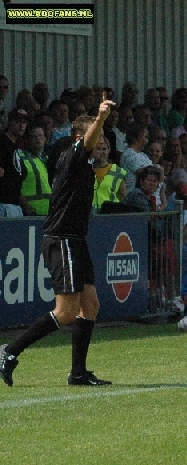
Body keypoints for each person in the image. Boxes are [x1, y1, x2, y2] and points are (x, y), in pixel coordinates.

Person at [0, 96, 116, 388]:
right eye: (97, 135)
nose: (101, 141)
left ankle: (78, 373)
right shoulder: (72, 155)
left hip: (75, 241)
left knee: (89, 306)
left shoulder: (84, 164)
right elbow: (88, 141)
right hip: (62, 240)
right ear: (81, 137)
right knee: (65, 312)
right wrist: (100, 117)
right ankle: (9, 352)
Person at [18, 123, 52, 216]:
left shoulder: (50, 159)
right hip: (31, 212)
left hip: (50, 212)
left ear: (45, 139)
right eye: (34, 136)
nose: (38, 138)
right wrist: (25, 206)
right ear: (28, 140)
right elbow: (15, 186)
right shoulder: (21, 158)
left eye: (40, 135)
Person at [92, 136, 128, 211]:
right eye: (98, 149)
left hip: (110, 215)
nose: (101, 152)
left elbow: (124, 196)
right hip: (91, 214)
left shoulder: (118, 171)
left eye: (104, 149)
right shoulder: (86, 170)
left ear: (109, 150)